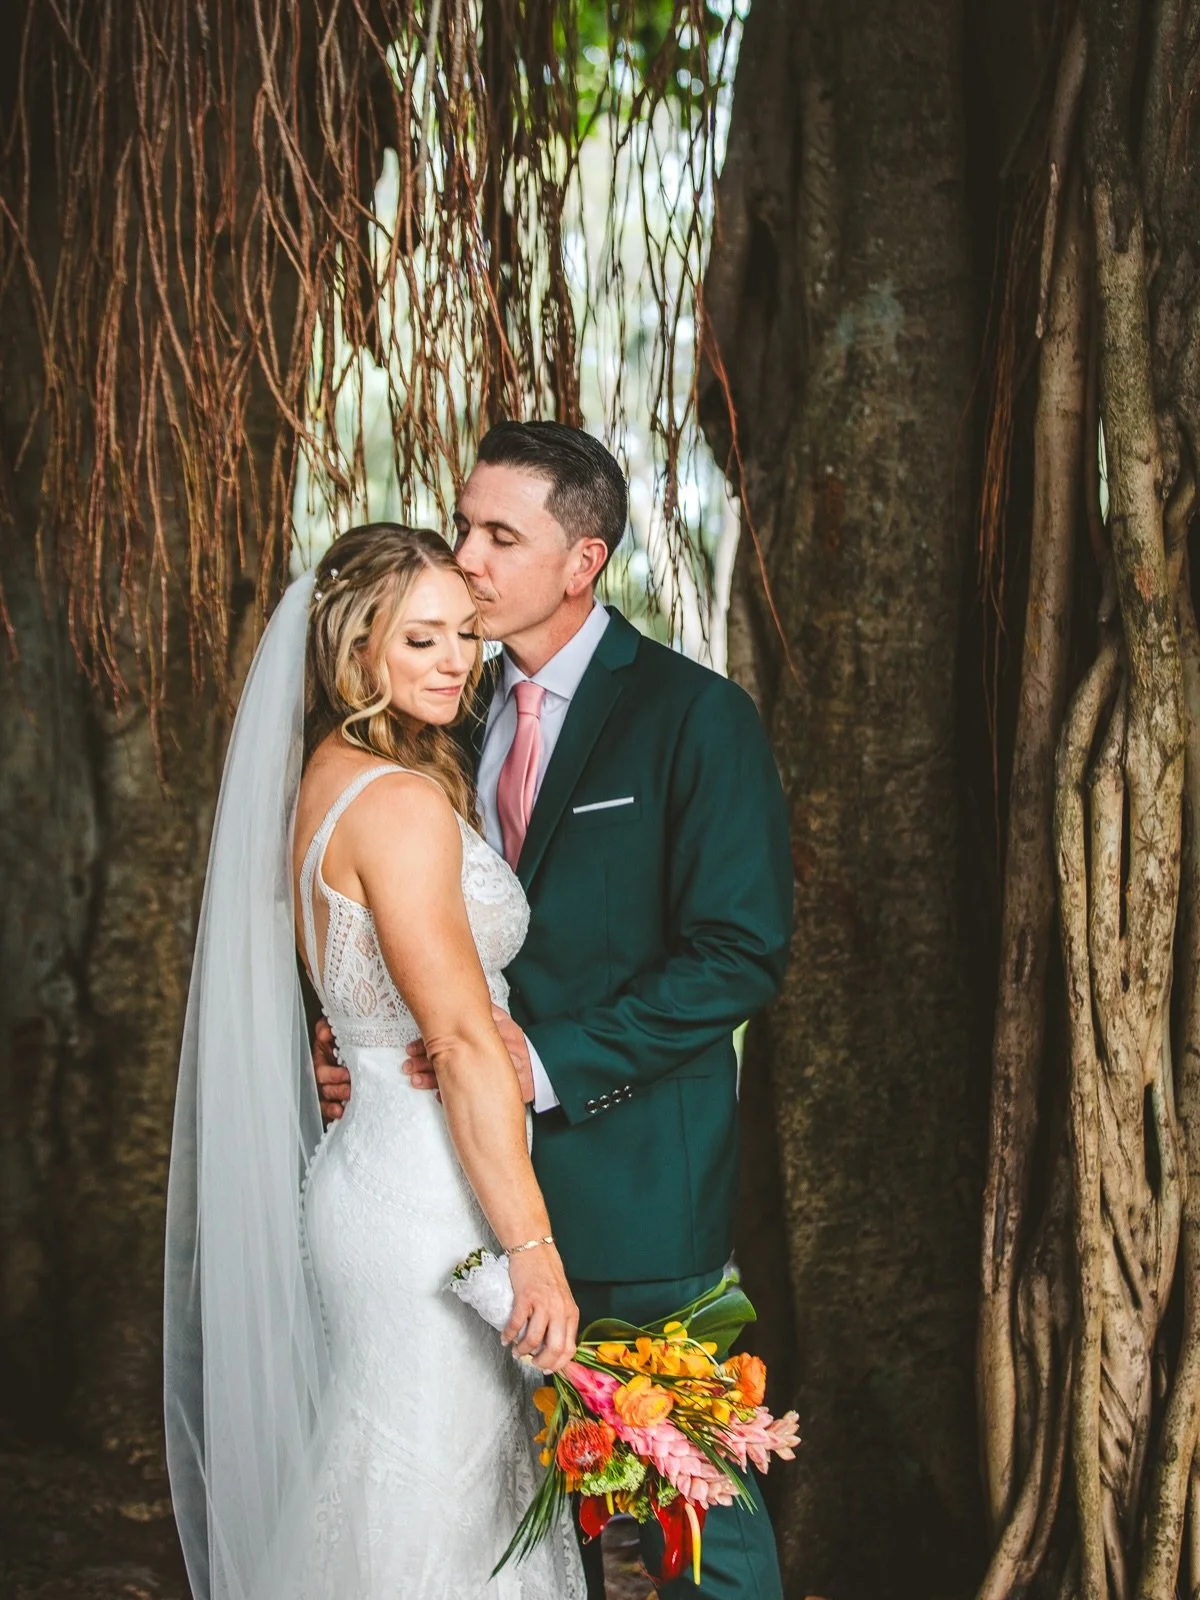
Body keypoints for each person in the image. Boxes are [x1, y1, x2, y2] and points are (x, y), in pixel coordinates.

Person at [315, 422, 794, 1599]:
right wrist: (356, 1040)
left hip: (629, 1178)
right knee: (523, 1520)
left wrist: (544, 1062)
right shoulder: (436, 709)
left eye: (497, 535)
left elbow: (739, 954)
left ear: (581, 561)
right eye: (462, 523)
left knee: (694, 1511)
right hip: (450, 1193)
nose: (463, 555)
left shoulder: (696, 717)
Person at [164, 524, 586, 1600]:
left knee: (410, 1487)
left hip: (375, 1165)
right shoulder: (398, 805)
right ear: (358, 658)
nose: (455, 661)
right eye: (421, 640)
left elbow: (364, 996)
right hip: (429, 1193)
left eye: (463, 635)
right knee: (432, 1509)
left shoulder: (327, 778)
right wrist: (532, 1246)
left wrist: (355, 1036)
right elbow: (449, 1040)